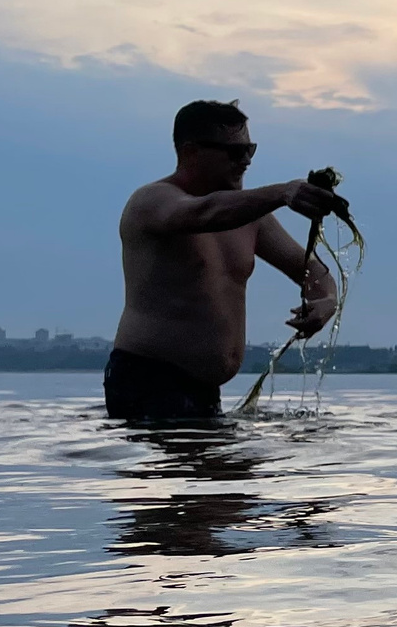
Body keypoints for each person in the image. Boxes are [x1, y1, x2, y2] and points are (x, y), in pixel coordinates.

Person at [106, 100, 346, 421]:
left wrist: (325, 301)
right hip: (148, 380)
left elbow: (313, 272)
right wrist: (282, 193)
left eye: (250, 150)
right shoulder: (151, 201)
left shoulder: (251, 217)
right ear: (191, 152)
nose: (245, 162)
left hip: (204, 390)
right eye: (234, 153)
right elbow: (204, 213)